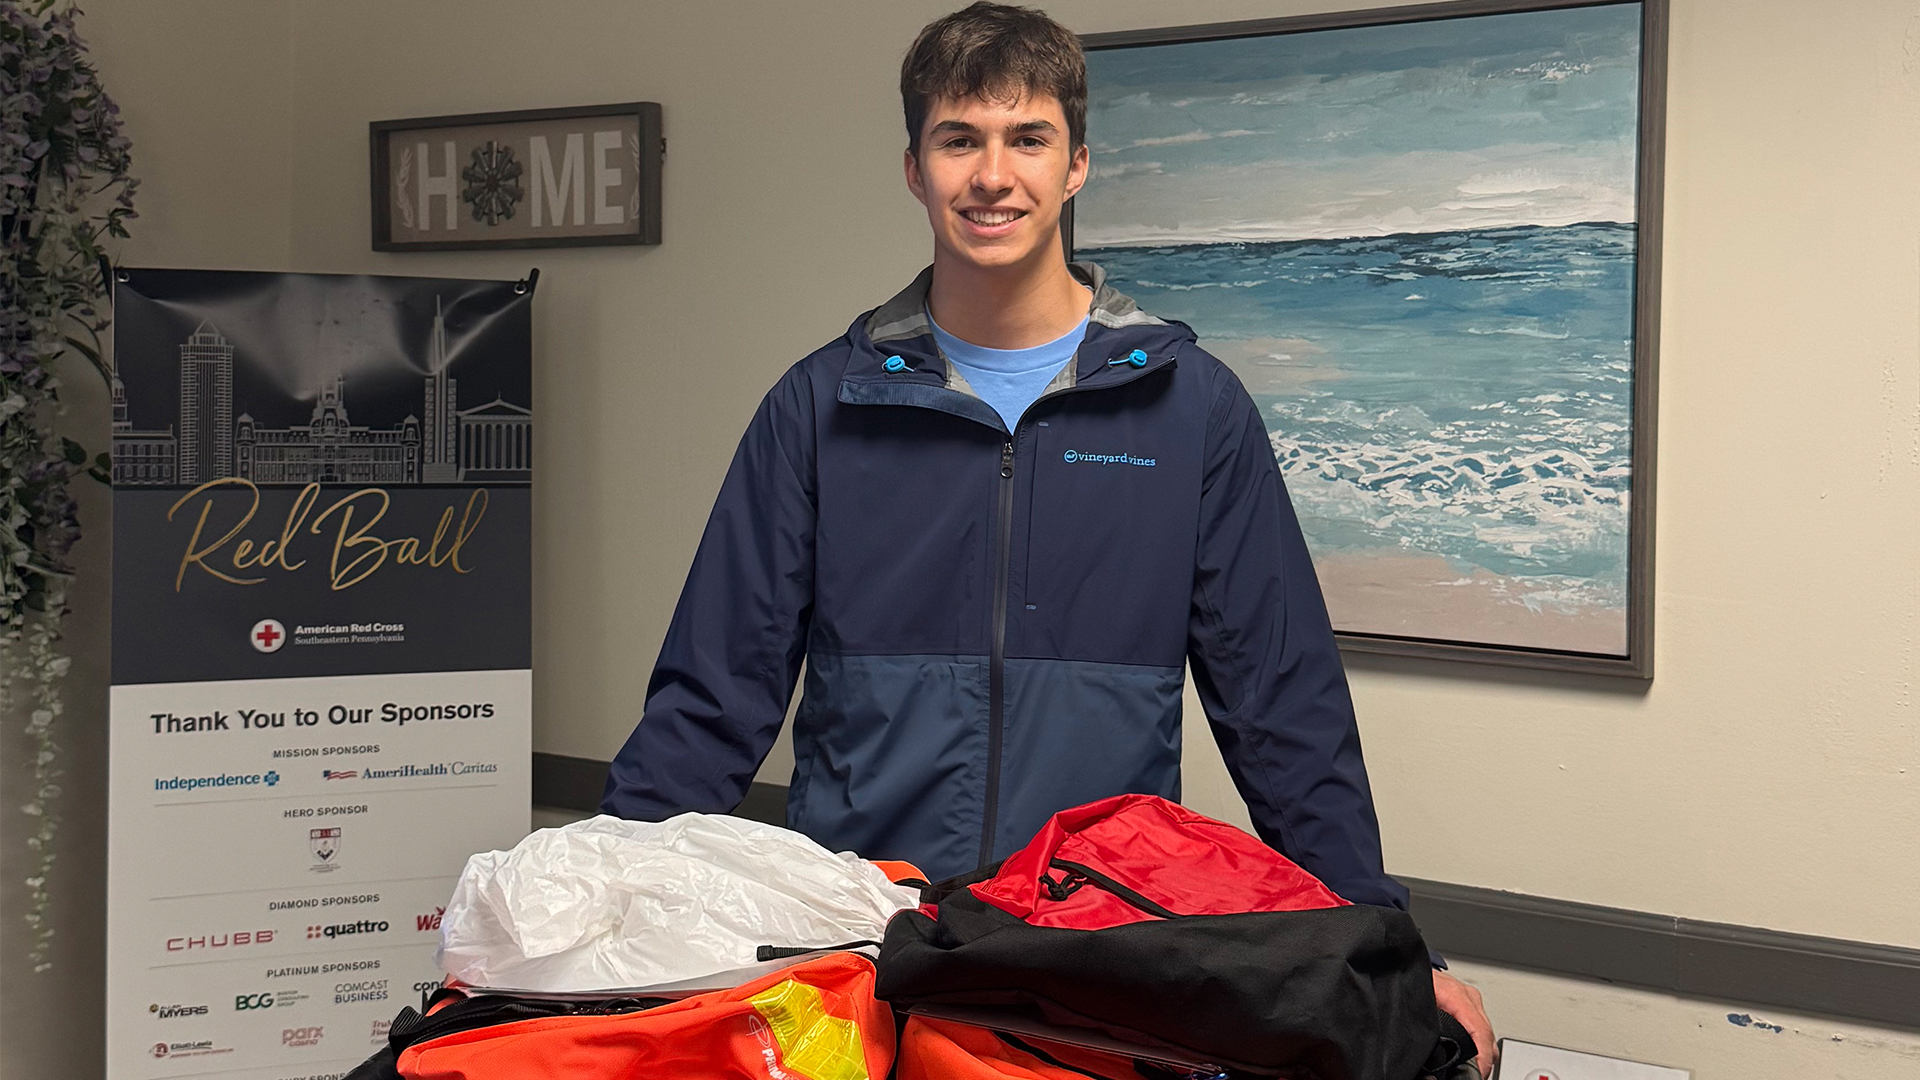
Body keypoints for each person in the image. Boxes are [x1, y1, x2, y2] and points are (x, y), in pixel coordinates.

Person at [601, 2, 1494, 1070]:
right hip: (867, 947)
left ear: (1076, 165)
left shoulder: (1191, 409)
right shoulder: (818, 409)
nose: (992, 175)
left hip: (1097, 962)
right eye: (959, 139)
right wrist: (595, 904)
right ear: (913, 167)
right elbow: (711, 699)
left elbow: (1285, 715)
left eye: (1027, 139)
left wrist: (1393, 954)